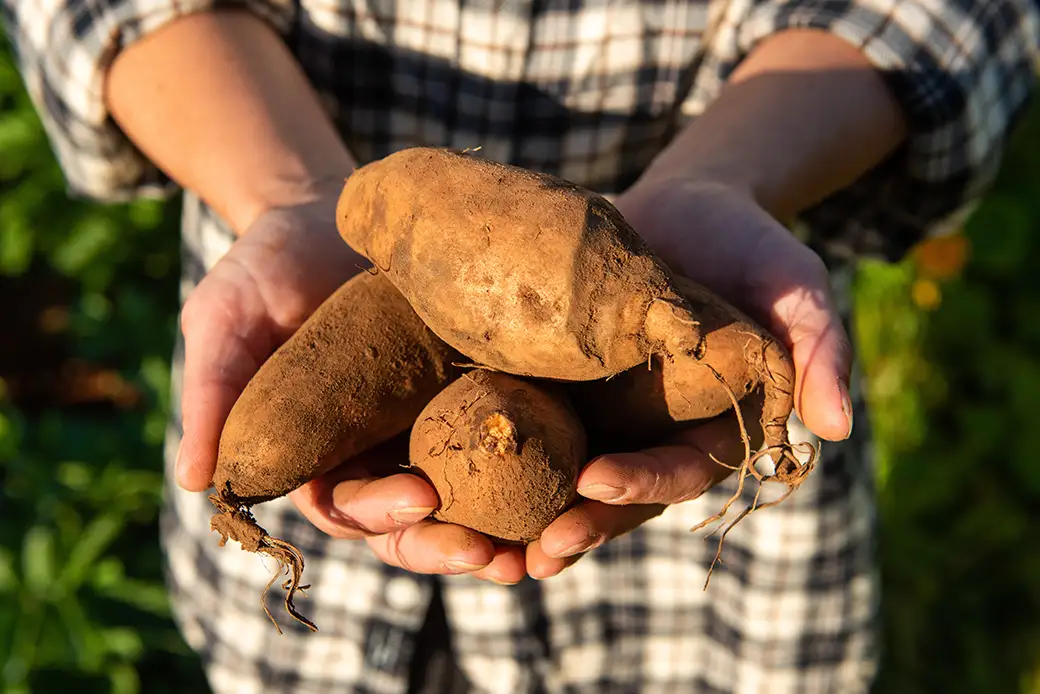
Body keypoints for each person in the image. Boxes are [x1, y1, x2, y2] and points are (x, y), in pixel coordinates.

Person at [4, 0, 1038, 691]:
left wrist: (728, 179)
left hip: (702, 589)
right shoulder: (375, 237)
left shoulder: (653, 306)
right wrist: (284, 196)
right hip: (305, 292)